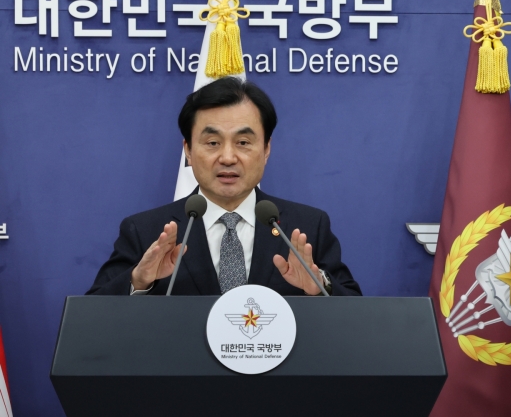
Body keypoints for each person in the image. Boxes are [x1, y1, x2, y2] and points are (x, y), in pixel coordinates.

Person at [87, 77, 361, 296]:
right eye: (212, 143)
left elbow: (354, 316)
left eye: (243, 142)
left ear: (266, 149)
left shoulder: (308, 227)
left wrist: (319, 287)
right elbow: (92, 319)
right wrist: (139, 281)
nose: (228, 157)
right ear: (188, 151)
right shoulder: (145, 231)